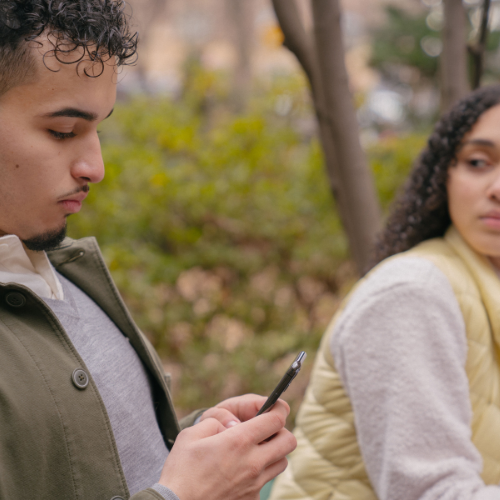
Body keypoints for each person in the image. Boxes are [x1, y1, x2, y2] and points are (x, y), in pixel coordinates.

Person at [0, 1, 296, 499]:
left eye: (99, 129)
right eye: (63, 132)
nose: (95, 166)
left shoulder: (66, 271)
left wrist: (201, 445)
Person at [269, 84, 500, 500]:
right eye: (479, 162)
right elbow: (430, 492)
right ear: (443, 173)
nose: (498, 187)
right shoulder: (414, 293)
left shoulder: (486, 287)